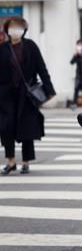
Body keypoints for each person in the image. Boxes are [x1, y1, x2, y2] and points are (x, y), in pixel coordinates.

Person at [0, 16, 56, 175]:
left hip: (27, 95)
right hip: (5, 95)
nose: (15, 29)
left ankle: (25, 162)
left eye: (18, 26)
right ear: (7, 29)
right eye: (12, 26)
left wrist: (49, 90)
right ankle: (10, 161)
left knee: (26, 128)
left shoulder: (31, 46)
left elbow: (41, 68)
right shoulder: (3, 48)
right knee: (6, 127)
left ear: (24, 29)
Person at [69, 39, 82, 109]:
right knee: (76, 89)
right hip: (78, 75)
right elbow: (71, 62)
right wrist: (75, 55)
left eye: (81, 45)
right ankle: (74, 105)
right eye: (78, 45)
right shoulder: (77, 54)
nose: (79, 46)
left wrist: (81, 54)